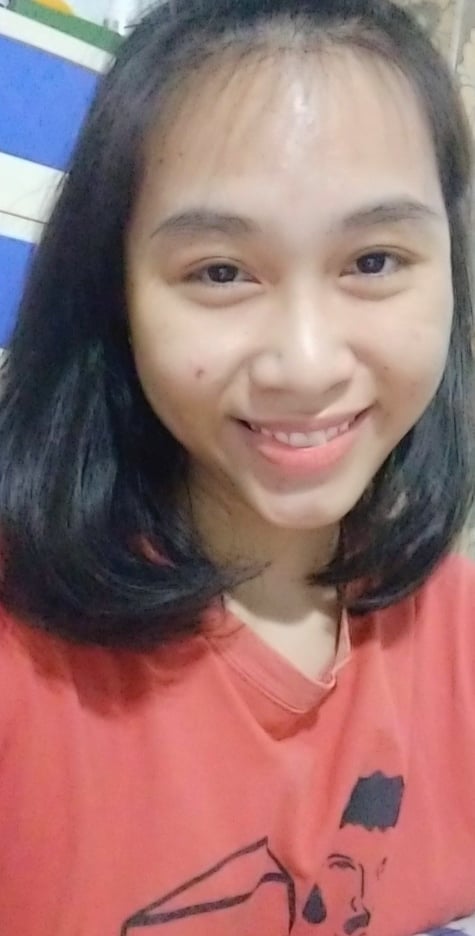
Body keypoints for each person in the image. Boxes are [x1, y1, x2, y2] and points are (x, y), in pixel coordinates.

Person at [0, 0, 473, 933]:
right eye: (220, 272)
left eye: (374, 260)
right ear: (115, 295)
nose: (305, 364)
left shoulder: (459, 634)